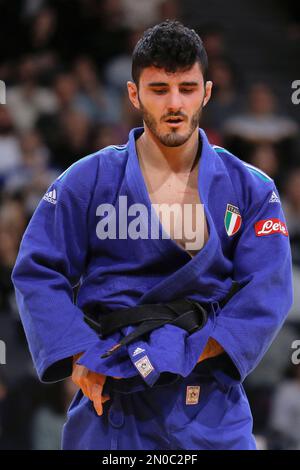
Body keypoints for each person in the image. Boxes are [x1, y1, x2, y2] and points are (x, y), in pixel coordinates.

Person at [12, 20, 293, 450]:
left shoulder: (251, 188)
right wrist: (78, 355)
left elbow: (268, 290)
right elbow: (37, 272)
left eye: (187, 88)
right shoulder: (88, 180)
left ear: (208, 92)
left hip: (209, 408)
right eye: (159, 89)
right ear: (133, 94)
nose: (175, 103)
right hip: (111, 405)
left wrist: (179, 352)